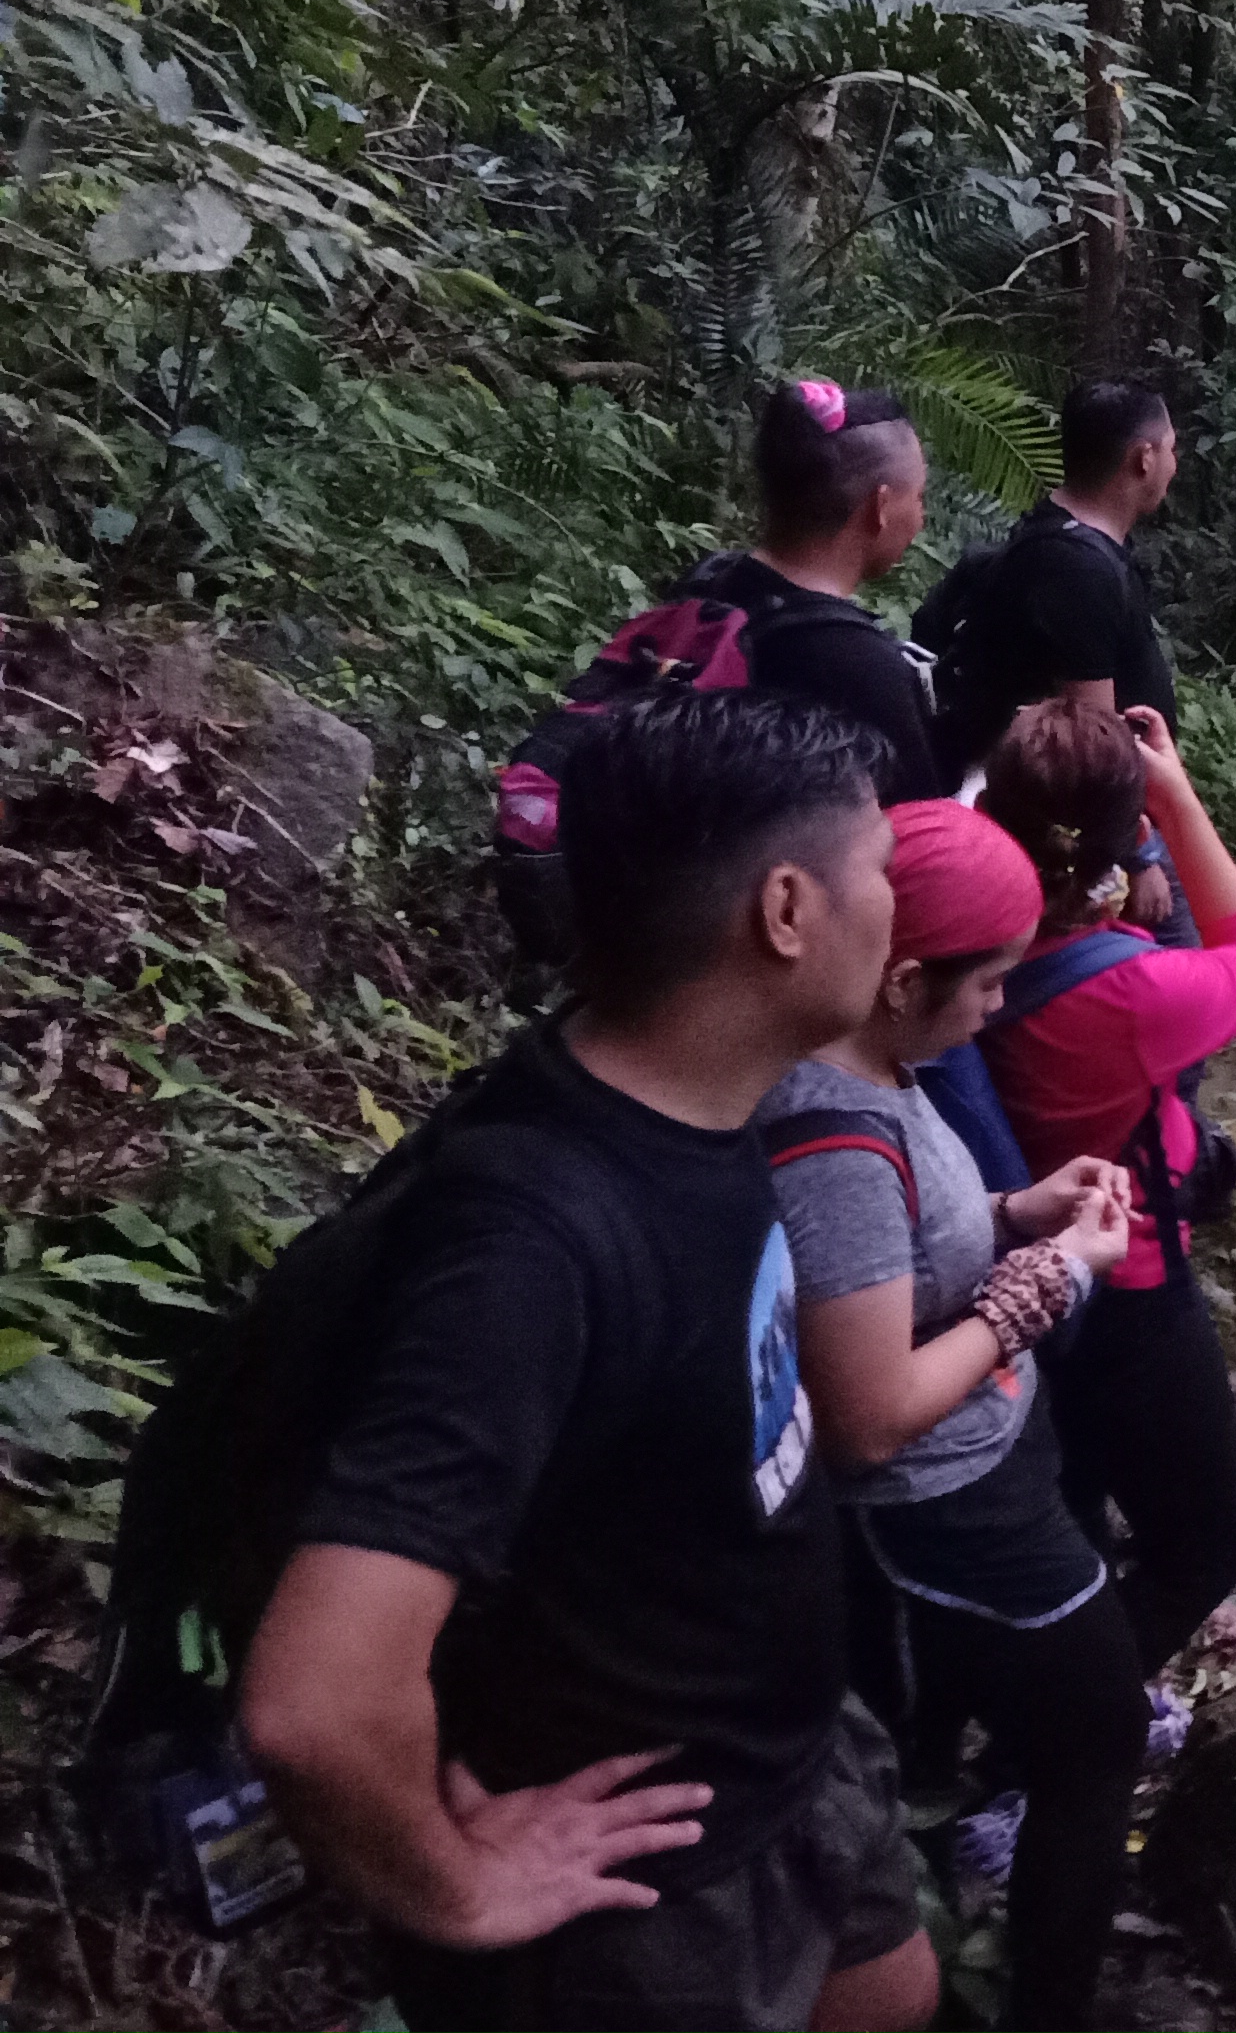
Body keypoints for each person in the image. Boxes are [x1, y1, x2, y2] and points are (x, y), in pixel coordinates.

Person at [244, 695, 938, 2033]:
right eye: (884, 873)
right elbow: (313, 1703)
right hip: (650, 1892)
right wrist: (454, 1887)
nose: (899, 912)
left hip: (783, 1754)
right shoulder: (529, 1242)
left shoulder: (691, 1089)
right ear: (786, 911)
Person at [759, 801, 1144, 2033]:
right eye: (985, 982)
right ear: (902, 978)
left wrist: (1017, 1211)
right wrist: (1050, 1282)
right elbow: (868, 1416)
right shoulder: (831, 1134)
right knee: (1100, 1738)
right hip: (940, 1503)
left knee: (1056, 1727)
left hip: (984, 1463)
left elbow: (893, 1251)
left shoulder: (878, 1072)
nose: (999, 1005)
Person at [974, 699, 1236, 1677]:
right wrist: (1179, 803)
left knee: (1076, 1506)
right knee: (1203, 1549)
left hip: (1005, 1251)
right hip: (1131, 1284)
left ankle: (1042, 1681)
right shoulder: (1134, 995)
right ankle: (1073, 1724)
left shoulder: (953, 932)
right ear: (1129, 832)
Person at [490, 382, 942, 962]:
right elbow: (927, 848)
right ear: (880, 507)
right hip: (722, 950)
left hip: (634, 900)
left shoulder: (713, 581)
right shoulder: (854, 662)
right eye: (918, 497)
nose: (920, 517)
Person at [925, 381, 1183, 772]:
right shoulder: (1078, 570)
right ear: (1144, 458)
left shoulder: (1063, 536)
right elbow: (1091, 748)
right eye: (1171, 449)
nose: (1174, 464)